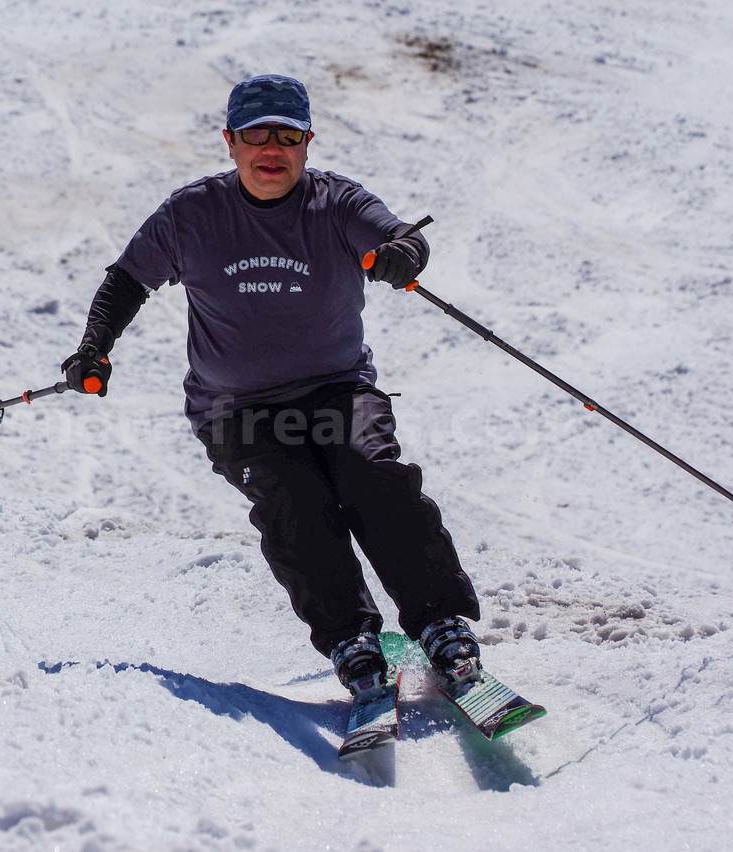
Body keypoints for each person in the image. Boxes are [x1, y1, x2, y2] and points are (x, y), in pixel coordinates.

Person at [60, 74, 483, 697]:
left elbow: (401, 237)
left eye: (287, 135)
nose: (271, 149)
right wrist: (93, 348)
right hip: (236, 409)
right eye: (256, 135)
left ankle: (442, 624)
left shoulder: (336, 202)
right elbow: (127, 278)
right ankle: (351, 640)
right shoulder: (192, 213)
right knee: (294, 503)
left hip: (338, 388)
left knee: (372, 476)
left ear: (307, 143)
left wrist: (401, 255)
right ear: (230, 142)